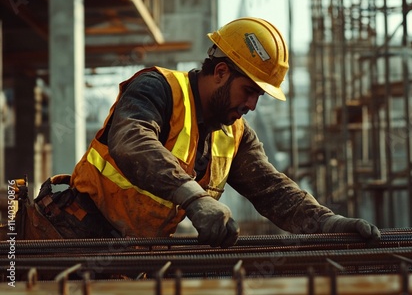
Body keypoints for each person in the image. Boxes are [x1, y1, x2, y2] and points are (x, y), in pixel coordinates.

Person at [23, 17, 381, 247]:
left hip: (124, 261)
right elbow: (131, 139)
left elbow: (273, 191)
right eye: (250, 91)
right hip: (67, 238)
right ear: (222, 72)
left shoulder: (235, 133)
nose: (252, 105)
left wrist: (328, 222)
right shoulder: (159, 88)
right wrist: (196, 199)